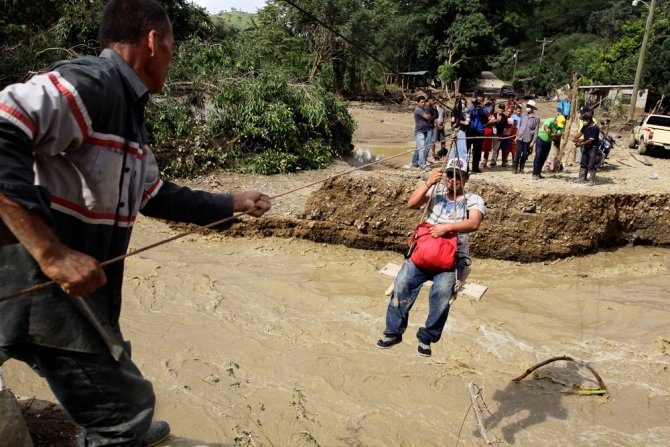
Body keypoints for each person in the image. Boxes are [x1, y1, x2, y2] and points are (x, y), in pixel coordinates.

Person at [0, 1, 272, 445]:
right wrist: (53, 254)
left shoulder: (127, 112)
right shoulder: (94, 83)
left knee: (114, 359)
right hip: (38, 285)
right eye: (171, 45)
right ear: (152, 41)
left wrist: (233, 202)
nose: (171, 56)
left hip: (62, 288)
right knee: (124, 411)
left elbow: (154, 195)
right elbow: (4, 124)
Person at [376, 158, 485, 357]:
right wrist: (428, 182)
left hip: (451, 259)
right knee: (401, 284)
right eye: (449, 174)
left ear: (466, 178)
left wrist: (447, 228)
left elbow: (474, 223)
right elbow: (411, 203)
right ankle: (393, 332)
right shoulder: (437, 191)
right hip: (425, 251)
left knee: (442, 293)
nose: (453, 179)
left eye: (458, 176)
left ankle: (427, 337)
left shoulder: (473, 199)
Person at [532, 114, 565, 180]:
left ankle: (538, 173)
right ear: (556, 120)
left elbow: (560, 133)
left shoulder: (561, 125)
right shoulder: (550, 120)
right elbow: (546, 126)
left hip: (548, 142)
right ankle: (535, 174)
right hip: (541, 140)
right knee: (538, 156)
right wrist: (547, 129)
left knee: (544, 158)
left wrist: (553, 135)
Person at [572, 114, 600, 186]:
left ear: (588, 120)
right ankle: (581, 178)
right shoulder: (585, 126)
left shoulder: (595, 128)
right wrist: (575, 137)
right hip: (586, 146)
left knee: (591, 164)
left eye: (584, 120)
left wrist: (580, 144)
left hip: (593, 147)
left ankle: (591, 181)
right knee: (583, 162)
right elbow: (581, 133)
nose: (583, 122)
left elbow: (590, 141)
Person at [514, 99, 540, 174]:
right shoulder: (523, 115)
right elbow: (519, 126)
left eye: (529, 106)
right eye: (527, 106)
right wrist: (516, 136)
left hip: (528, 139)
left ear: (532, 108)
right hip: (520, 137)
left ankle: (521, 168)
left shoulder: (536, 118)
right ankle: (515, 168)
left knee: (525, 155)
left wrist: (533, 141)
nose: (527, 107)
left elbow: (536, 131)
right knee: (518, 153)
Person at [466, 91, 489, 173]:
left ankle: (475, 167)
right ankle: (466, 167)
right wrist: (474, 107)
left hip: (480, 131)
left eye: (481, 101)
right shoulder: (471, 106)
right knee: (467, 149)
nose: (479, 102)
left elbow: (488, 115)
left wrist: (482, 107)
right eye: (478, 100)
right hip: (470, 130)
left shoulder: (485, 107)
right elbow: (468, 113)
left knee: (477, 150)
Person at [411, 96, 434, 170]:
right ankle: (423, 165)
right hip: (420, 131)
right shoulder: (419, 110)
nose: (423, 103)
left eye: (424, 102)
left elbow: (429, 116)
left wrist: (428, 116)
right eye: (421, 102)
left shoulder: (422, 109)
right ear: (418, 102)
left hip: (423, 131)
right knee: (422, 149)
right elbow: (428, 117)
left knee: (418, 148)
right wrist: (428, 116)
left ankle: (414, 163)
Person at [449, 97, 470, 164]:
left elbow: (467, 122)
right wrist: (457, 120)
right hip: (456, 131)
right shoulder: (454, 111)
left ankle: (460, 163)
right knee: (456, 149)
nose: (462, 105)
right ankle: (452, 163)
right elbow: (453, 120)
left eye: (463, 103)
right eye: (461, 103)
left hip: (462, 131)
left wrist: (460, 121)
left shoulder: (466, 112)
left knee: (460, 149)